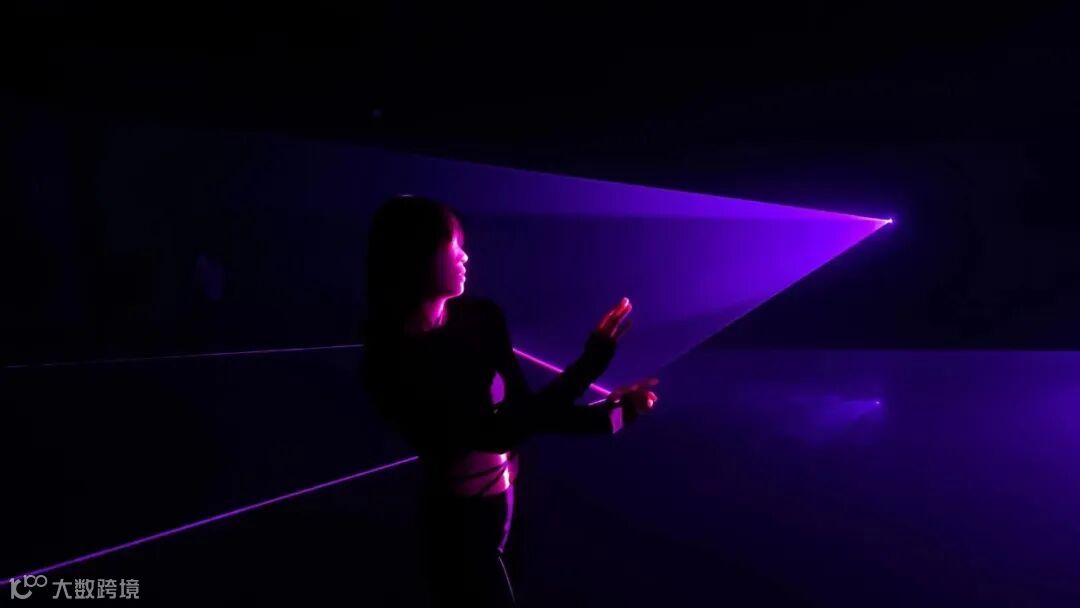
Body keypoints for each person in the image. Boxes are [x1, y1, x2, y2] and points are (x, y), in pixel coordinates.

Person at [361, 194, 659, 607]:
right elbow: (500, 431)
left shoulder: (481, 317)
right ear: (416, 256)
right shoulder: (393, 364)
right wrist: (593, 362)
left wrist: (615, 415)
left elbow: (526, 412)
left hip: (512, 507)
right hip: (460, 530)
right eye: (452, 244)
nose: (464, 256)